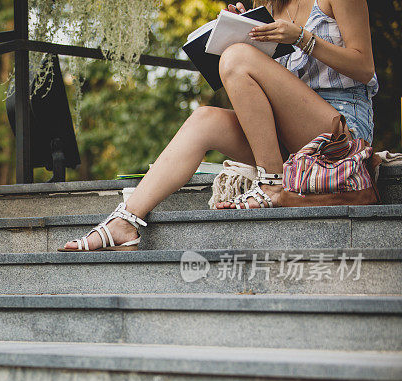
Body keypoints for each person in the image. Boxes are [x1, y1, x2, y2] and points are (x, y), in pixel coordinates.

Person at [60, 0, 378, 252]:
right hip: (287, 134)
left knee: (236, 57)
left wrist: (301, 39)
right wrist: (244, 28)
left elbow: (364, 67)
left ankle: (272, 183)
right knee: (205, 119)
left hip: (337, 132)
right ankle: (126, 221)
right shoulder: (270, 5)